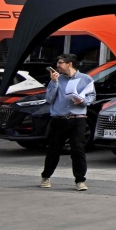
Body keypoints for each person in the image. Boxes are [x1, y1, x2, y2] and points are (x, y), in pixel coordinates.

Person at [40, 54, 95, 191]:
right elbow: (49, 99)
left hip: (78, 119)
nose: (57, 65)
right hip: (59, 119)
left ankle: (80, 180)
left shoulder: (86, 79)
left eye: (60, 63)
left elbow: (92, 96)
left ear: (69, 64)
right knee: (54, 149)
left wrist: (83, 101)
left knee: (78, 150)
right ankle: (46, 176)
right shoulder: (58, 79)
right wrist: (53, 83)